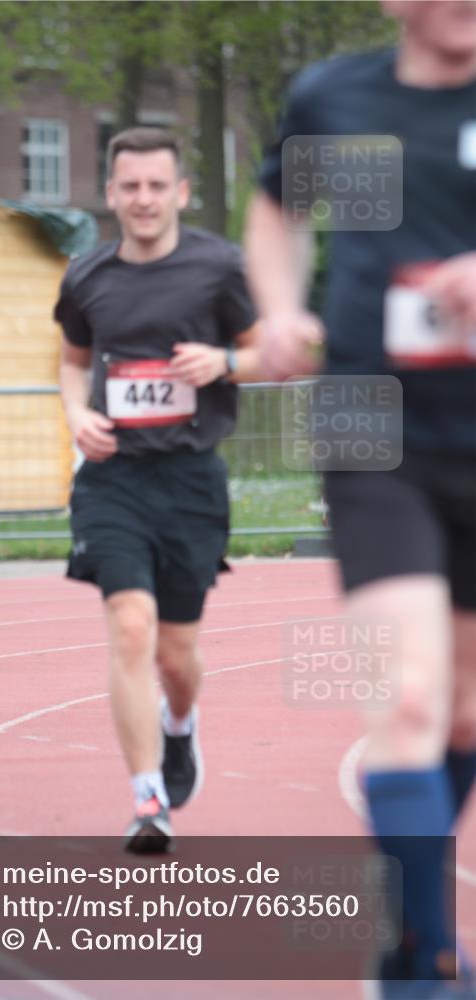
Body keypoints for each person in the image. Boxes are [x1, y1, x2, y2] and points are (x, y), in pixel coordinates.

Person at [246, 1, 476, 995]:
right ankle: (422, 958)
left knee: (461, 716)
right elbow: (276, 209)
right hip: (370, 423)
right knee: (411, 697)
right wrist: (281, 306)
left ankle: (403, 887)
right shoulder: (336, 98)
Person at [55, 127, 259, 853]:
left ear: (179, 192)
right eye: (128, 187)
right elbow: (73, 362)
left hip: (190, 479)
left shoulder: (219, 268)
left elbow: (276, 350)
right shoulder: (85, 275)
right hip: (113, 479)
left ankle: (179, 730)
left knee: (176, 652)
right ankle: (147, 801)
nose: (142, 200)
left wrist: (228, 359)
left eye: (155, 186)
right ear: (110, 194)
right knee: (130, 629)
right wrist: (76, 412)